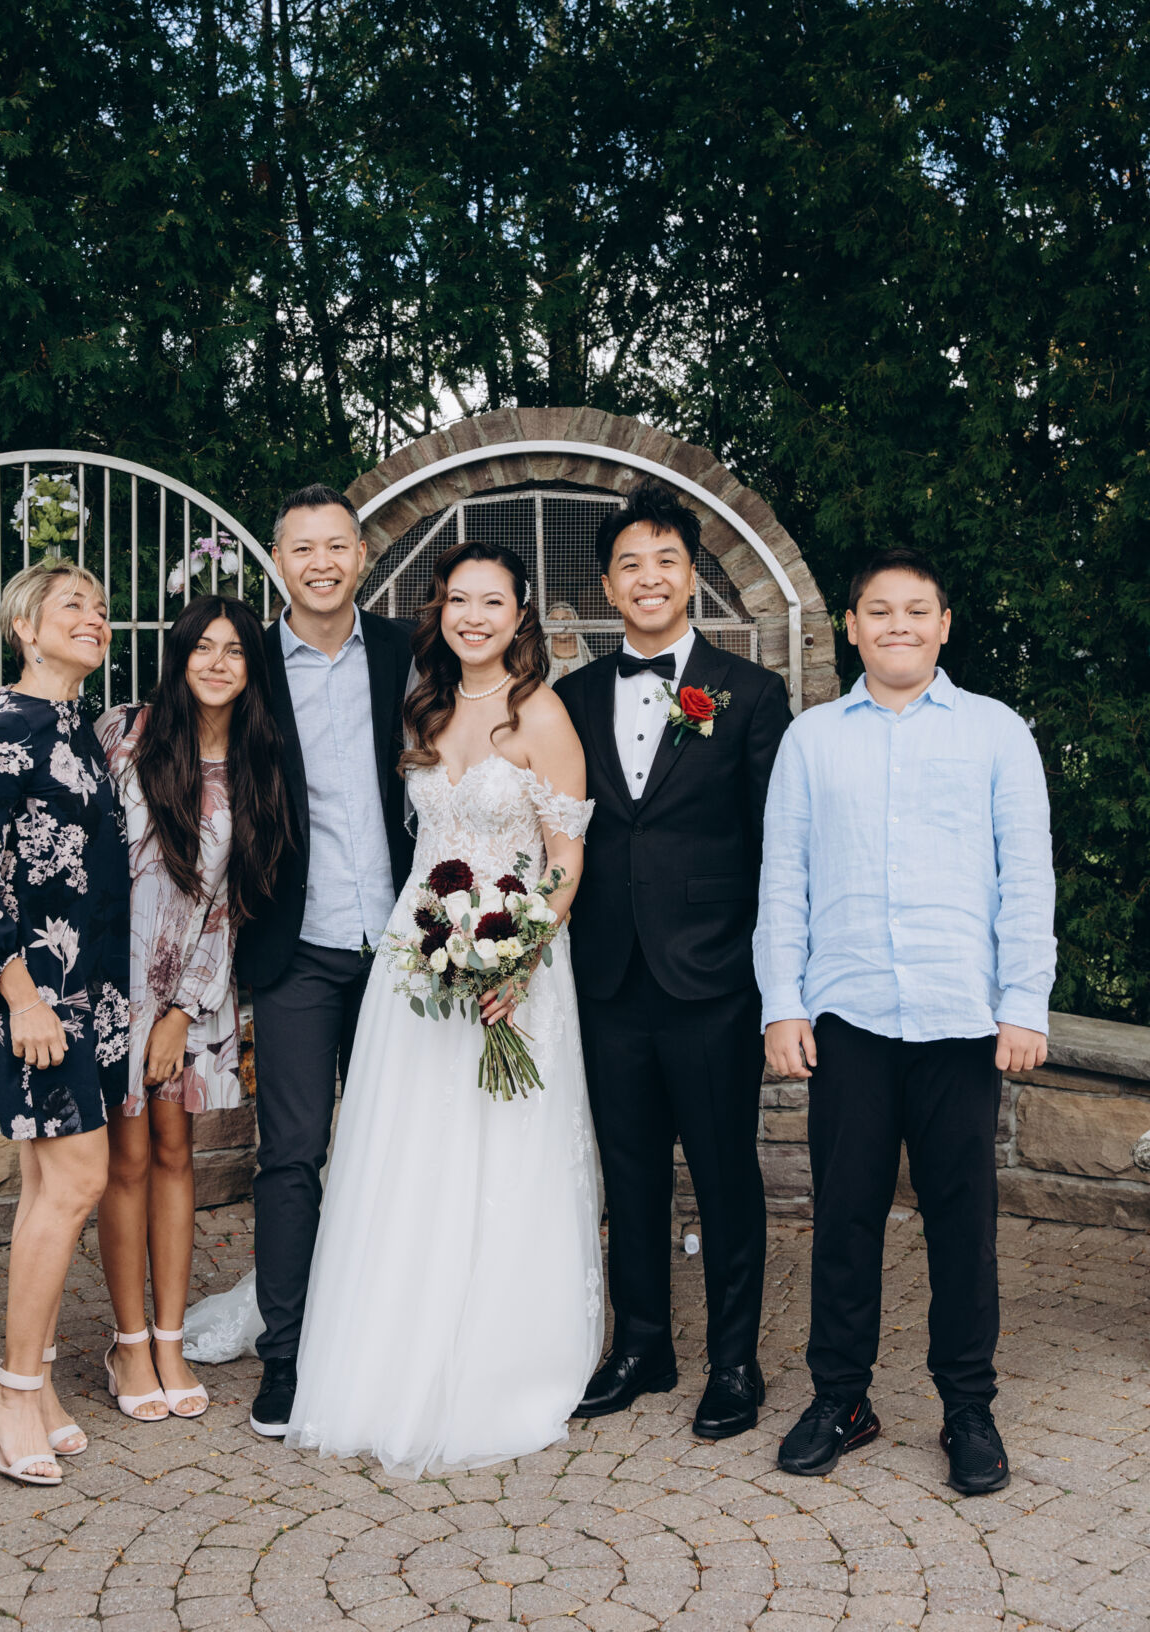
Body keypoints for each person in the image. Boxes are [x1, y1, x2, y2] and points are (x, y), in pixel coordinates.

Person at [282, 540, 600, 1473]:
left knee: (500, 1149)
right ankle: (393, 1342)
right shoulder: (422, 703)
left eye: (492, 602)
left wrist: (519, 958)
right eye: (459, 600)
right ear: (441, 610)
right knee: (409, 1148)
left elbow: (566, 859)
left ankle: (497, 1355)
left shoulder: (542, 714)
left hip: (513, 967)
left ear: (520, 613)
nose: (474, 617)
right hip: (414, 960)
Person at [756, 547, 1055, 1495]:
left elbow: (1027, 877)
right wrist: (782, 1003)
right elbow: (784, 880)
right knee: (844, 1218)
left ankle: (968, 1407)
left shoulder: (997, 733)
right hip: (848, 1015)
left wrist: (1024, 1003)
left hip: (960, 1016)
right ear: (851, 628)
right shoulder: (812, 741)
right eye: (879, 611)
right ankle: (842, 1399)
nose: (898, 626)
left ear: (944, 624)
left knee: (963, 1224)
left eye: (916, 610)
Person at [554, 484, 791, 1441]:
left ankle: (734, 1361)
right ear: (608, 587)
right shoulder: (571, 699)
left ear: (692, 578)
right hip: (608, 975)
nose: (648, 579)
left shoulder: (750, 693)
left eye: (665, 562)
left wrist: (771, 977)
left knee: (727, 1173)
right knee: (630, 1171)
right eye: (630, 565)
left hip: (713, 979)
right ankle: (642, 1345)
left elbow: (776, 846)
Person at [0, 560, 129, 1485]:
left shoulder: (76, 727)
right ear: (26, 626)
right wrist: (18, 996)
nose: (95, 617)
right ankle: (11, 1392)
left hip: (87, 991)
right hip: (34, 996)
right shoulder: (3, 729)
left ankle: (39, 1383)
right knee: (78, 1178)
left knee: (47, 1185)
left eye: (101, 607)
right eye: (72, 606)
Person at [233, 484, 415, 1438]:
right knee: (292, 1157)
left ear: (361, 555)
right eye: (302, 548)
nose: (321, 563)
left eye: (336, 545)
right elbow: (167, 732)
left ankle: (390, 1344)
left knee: (401, 1150)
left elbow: (495, 711)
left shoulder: (407, 651)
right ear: (278, 560)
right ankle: (287, 1356)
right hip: (295, 947)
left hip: (407, 951)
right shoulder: (249, 662)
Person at [93, 596, 289, 1424]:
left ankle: (170, 1341)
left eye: (234, 651)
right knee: (126, 1160)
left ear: (251, 669)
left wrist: (182, 1010)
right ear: (179, 656)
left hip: (194, 991)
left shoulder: (257, 763)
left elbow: (235, 904)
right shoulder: (122, 735)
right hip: (111, 983)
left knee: (176, 1154)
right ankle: (129, 1344)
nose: (216, 662)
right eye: (202, 647)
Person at [545, 602, 592, 686]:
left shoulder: (588, 658)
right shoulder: (541, 657)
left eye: (565, 620)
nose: (560, 625)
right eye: (554, 621)